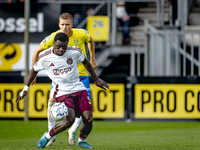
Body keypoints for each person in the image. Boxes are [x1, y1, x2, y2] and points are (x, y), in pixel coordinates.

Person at [16, 32, 109, 149]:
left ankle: (81, 140)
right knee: (69, 120)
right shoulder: (45, 57)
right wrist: (25, 88)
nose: (61, 49)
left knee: (89, 119)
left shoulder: (74, 52)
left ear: (67, 44)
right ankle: (48, 136)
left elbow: (85, 62)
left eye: (63, 47)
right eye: (58, 46)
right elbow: (34, 70)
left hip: (79, 88)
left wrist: (96, 79)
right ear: (53, 44)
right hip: (62, 91)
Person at [31, 12, 97, 147]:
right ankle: (50, 135)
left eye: (67, 25)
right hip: (60, 77)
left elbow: (90, 40)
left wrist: (92, 58)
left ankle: (73, 132)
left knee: (85, 113)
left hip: (81, 75)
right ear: (58, 24)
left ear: (72, 25)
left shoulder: (81, 33)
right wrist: (33, 72)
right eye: (62, 24)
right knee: (51, 102)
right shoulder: (54, 37)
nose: (65, 27)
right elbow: (36, 51)